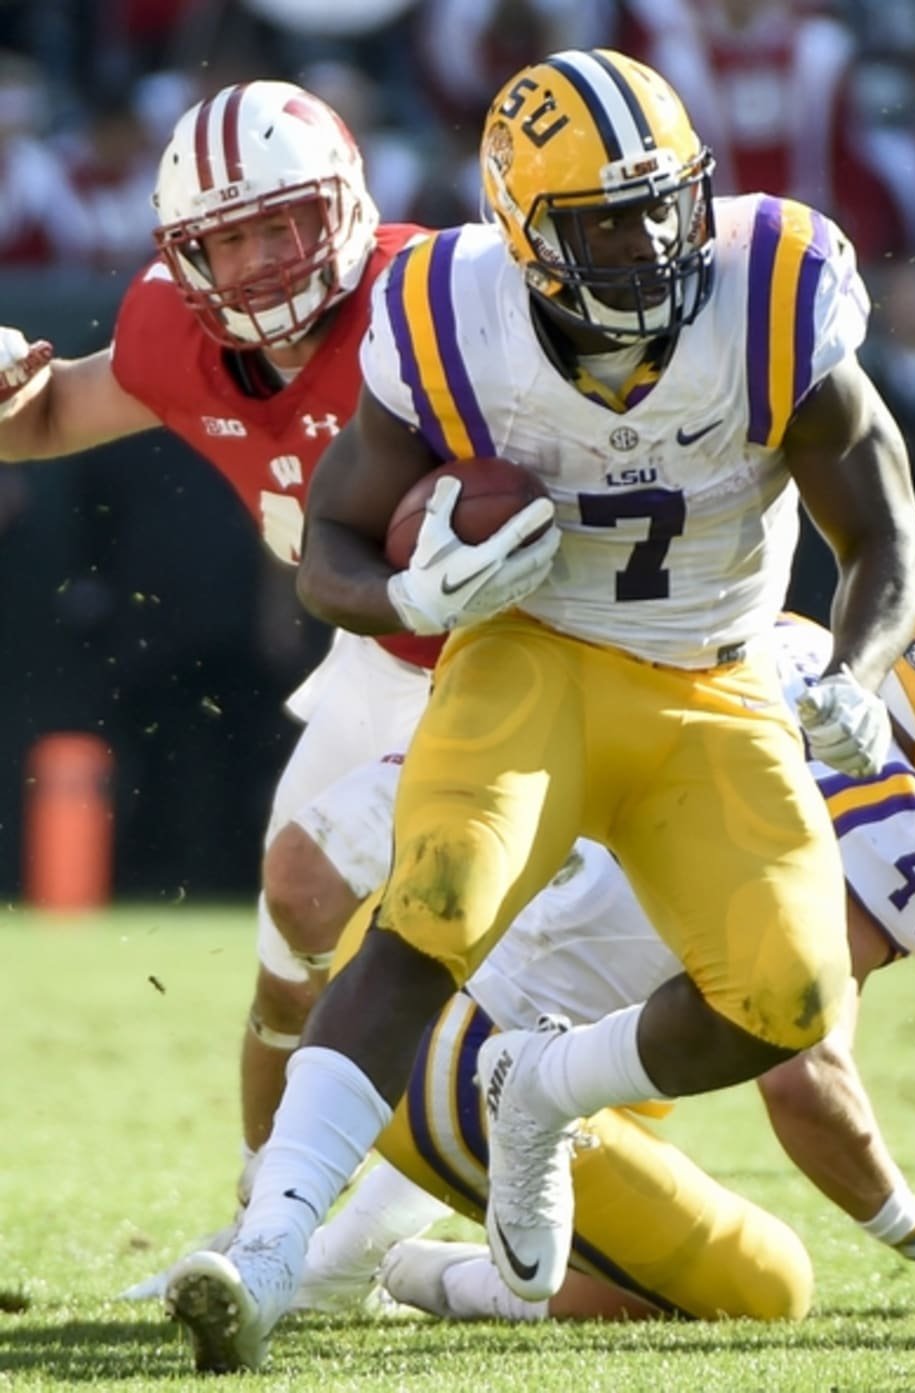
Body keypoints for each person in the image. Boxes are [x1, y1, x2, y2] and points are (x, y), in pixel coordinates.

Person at [163, 48, 915, 1374]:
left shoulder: (775, 289)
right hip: (538, 655)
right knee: (435, 900)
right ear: (524, 236)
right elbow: (328, 547)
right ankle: (272, 1247)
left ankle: (537, 1093)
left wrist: (855, 675)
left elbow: (888, 534)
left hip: (716, 677)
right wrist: (412, 584)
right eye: (605, 220)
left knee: (790, 997)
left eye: (663, 202)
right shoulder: (455, 312)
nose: (649, 242)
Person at [285, 568, 915, 1320]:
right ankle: (433, 1280)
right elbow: (801, 1072)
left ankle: (331, 1257)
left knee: (642, 1050)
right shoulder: (903, 830)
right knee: (769, 1285)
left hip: (388, 972)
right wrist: (914, 1223)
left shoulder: (790, 644)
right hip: (455, 1076)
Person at [0, 82, 436, 1207]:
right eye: (225, 237)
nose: (256, 263)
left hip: (522, 662)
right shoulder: (171, 331)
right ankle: (259, 1216)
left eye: (278, 224)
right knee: (287, 954)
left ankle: (359, 1240)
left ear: (341, 206)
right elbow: (47, 418)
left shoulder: (440, 298)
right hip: (379, 663)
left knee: (474, 980)